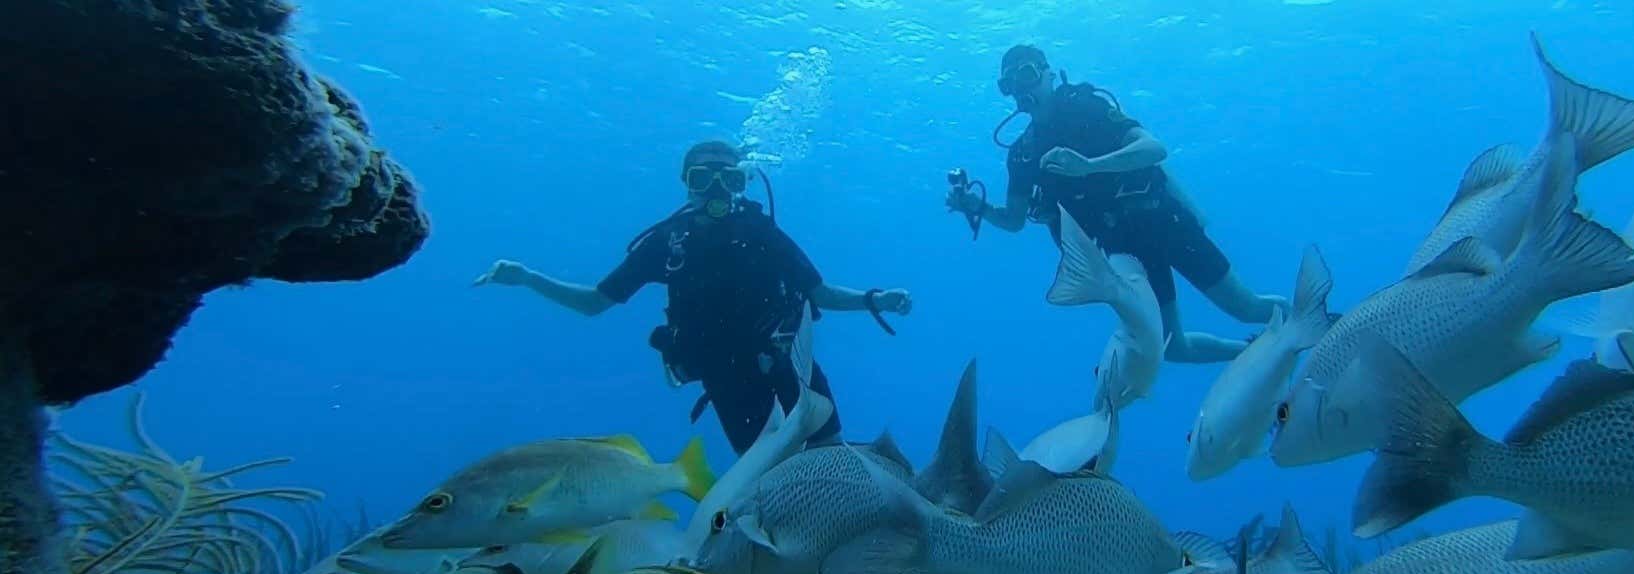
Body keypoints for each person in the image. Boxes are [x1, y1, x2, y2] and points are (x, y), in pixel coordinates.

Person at [475, 140, 912, 455]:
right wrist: (529, 278)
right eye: (705, 178)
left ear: (742, 184)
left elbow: (820, 292)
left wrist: (875, 300)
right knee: (768, 476)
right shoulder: (667, 243)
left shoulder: (762, 233)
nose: (717, 191)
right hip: (724, 375)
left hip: (787, 361)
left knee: (830, 455)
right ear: (688, 185)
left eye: (730, 179)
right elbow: (595, 302)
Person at [947, 45, 1284, 362]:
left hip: (1163, 220)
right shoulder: (1023, 153)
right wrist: (976, 206)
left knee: (1247, 308)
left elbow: (1154, 149)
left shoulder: (1087, 107)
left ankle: (1322, 324)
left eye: (1028, 75)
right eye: (1008, 84)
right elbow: (1014, 220)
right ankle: (1253, 355)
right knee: (1171, 346)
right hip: (1126, 252)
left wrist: (1090, 166)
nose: (1020, 90)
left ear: (1049, 74)